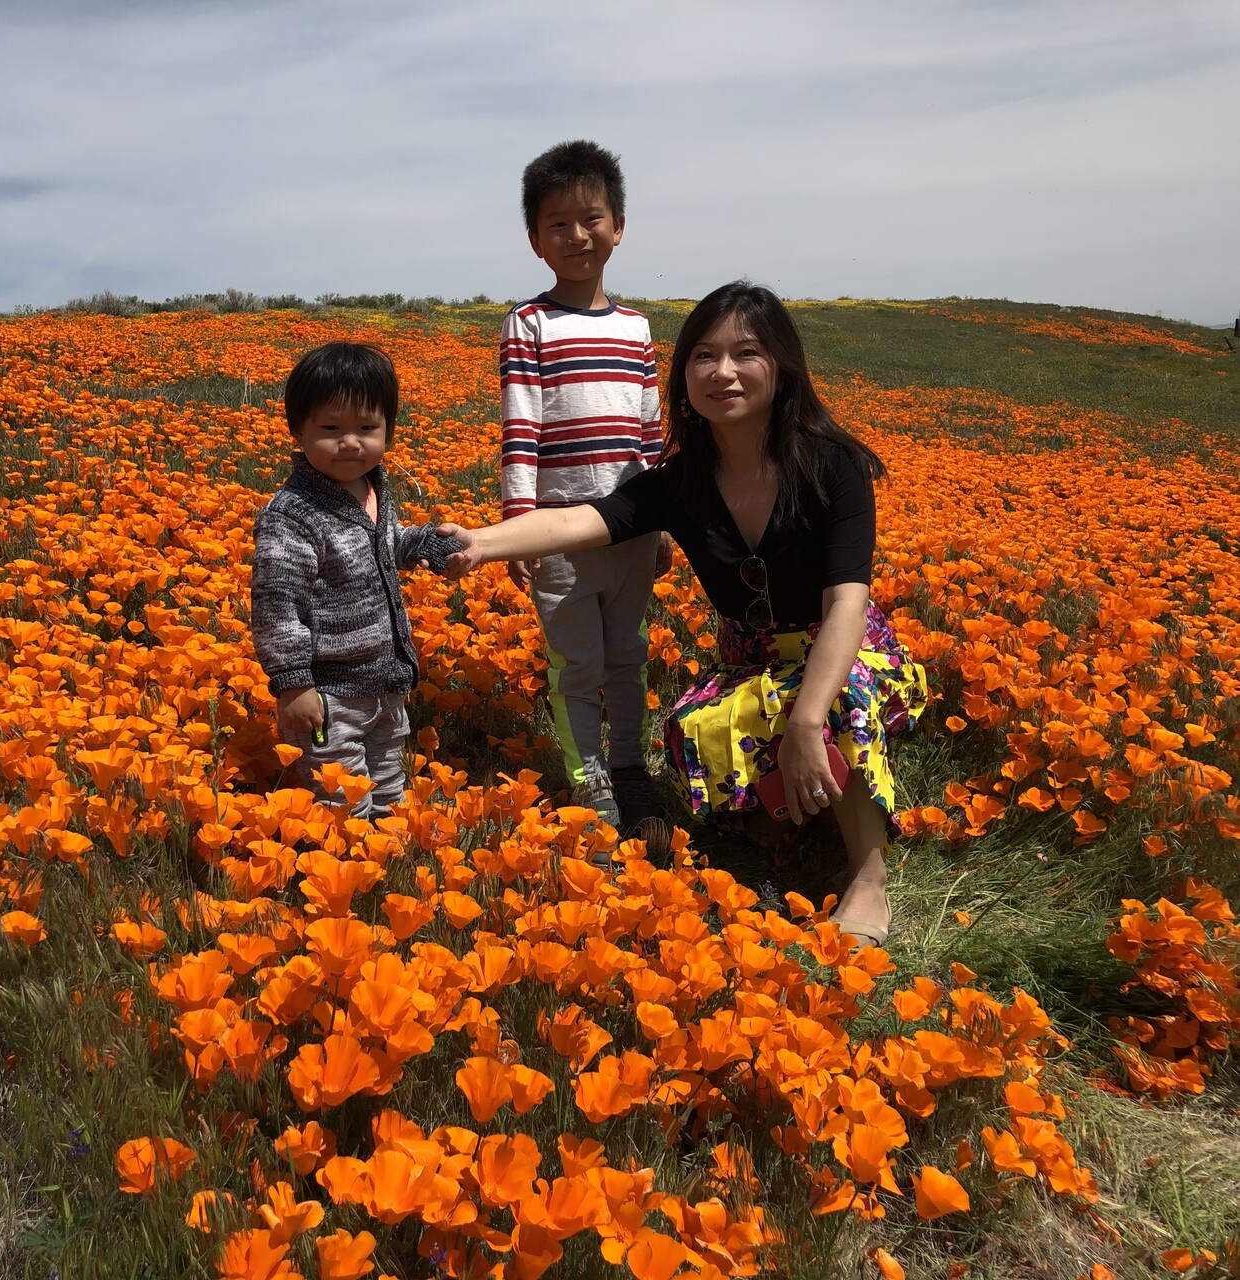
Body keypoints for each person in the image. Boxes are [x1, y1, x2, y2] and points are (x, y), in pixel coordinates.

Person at [444, 281, 929, 945]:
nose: (721, 372)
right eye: (703, 356)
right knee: (693, 730)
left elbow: (847, 600)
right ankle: (779, 816)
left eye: (744, 353)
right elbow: (580, 522)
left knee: (829, 705)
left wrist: (806, 721)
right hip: (752, 661)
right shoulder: (681, 482)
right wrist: (479, 544)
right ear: (682, 375)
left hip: (847, 652)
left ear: (780, 368)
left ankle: (866, 877)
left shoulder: (830, 466)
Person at [500, 139, 671, 836]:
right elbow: (520, 430)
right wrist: (517, 527)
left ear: (618, 226)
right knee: (575, 665)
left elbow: (651, 436)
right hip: (558, 535)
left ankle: (629, 768)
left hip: (630, 528)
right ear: (535, 240)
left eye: (590, 218)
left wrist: (661, 522)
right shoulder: (529, 324)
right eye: (557, 224)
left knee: (628, 658)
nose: (576, 236)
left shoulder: (635, 329)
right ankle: (587, 778)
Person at [251, 341, 459, 818]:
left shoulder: (371, 489)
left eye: (367, 428)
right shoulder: (293, 515)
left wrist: (423, 544)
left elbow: (382, 545)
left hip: (384, 683)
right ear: (297, 430)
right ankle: (345, 872)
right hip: (328, 694)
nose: (350, 442)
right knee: (342, 801)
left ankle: (382, 872)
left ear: (388, 429)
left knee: (388, 787)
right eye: (330, 428)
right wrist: (293, 684)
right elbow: (277, 607)